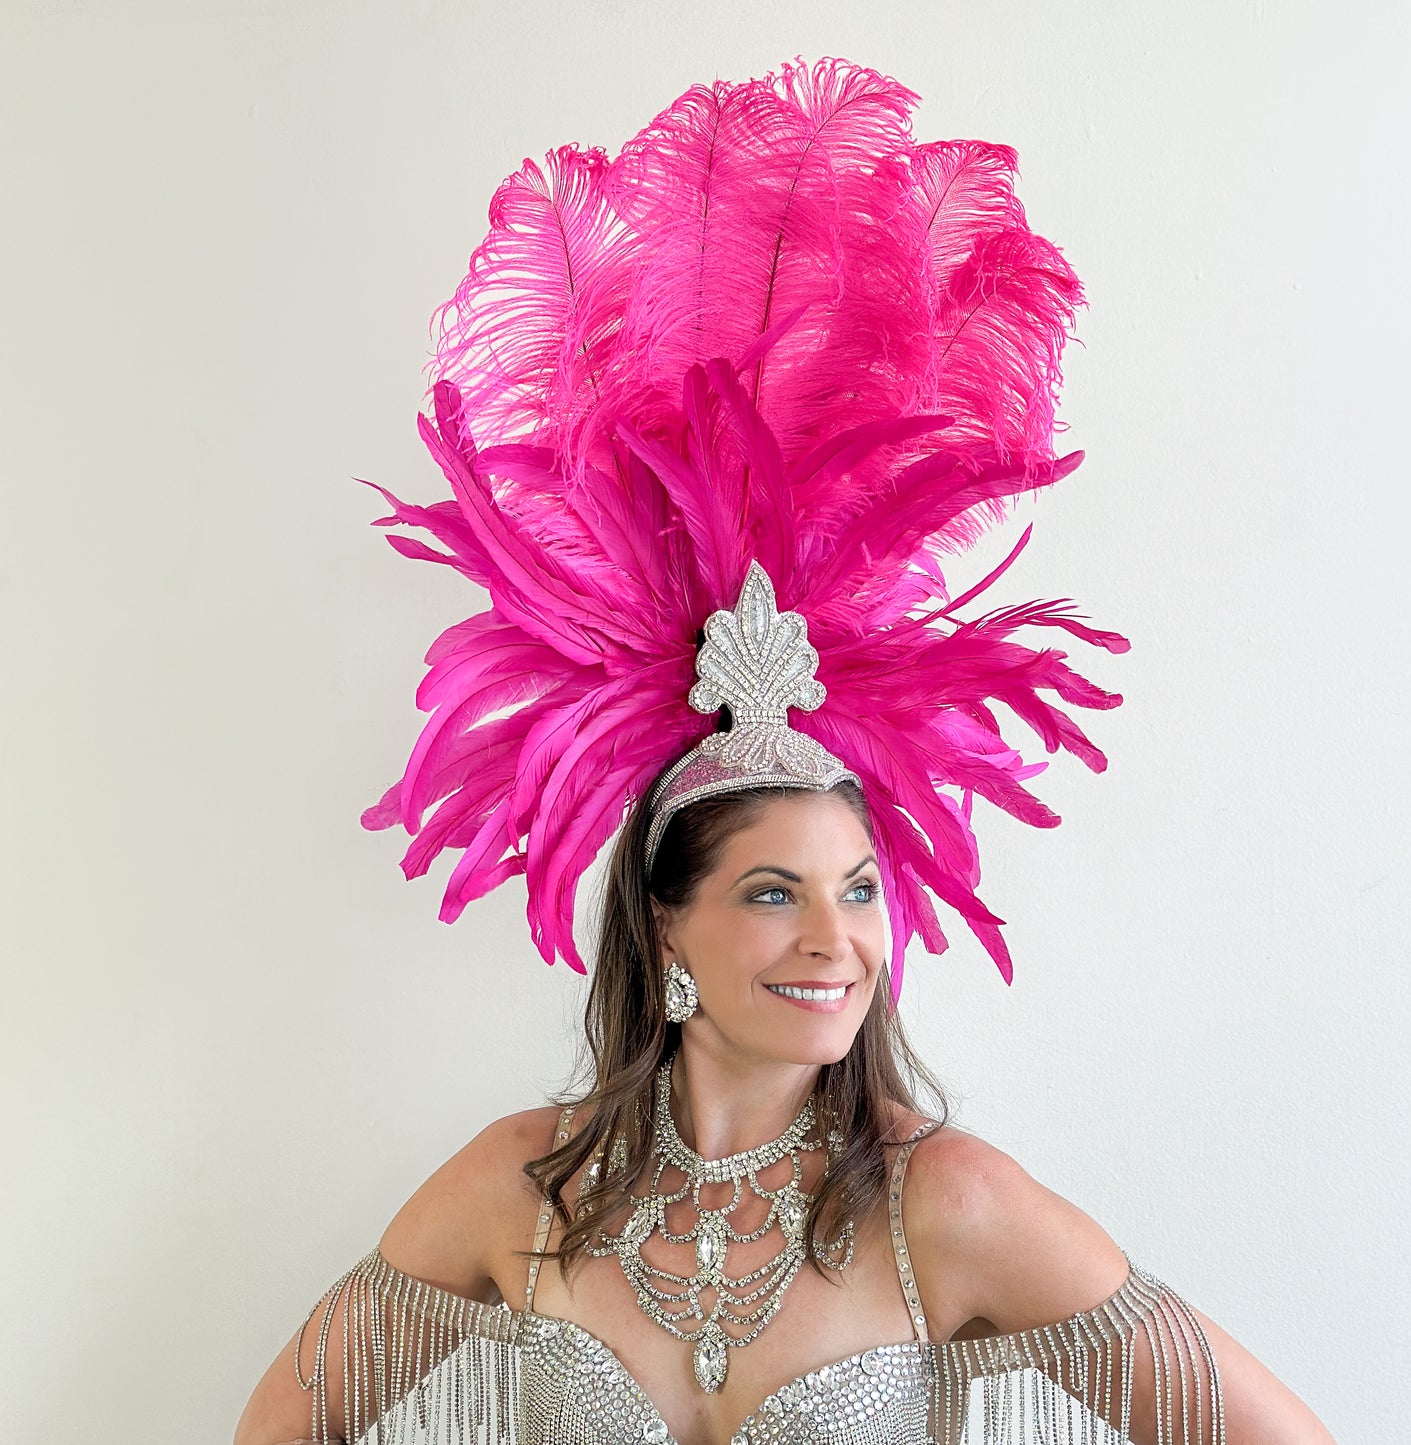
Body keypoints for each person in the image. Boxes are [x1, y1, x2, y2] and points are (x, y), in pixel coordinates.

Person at [235, 58, 1336, 1445]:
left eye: (859, 887)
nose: (837, 936)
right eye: (775, 889)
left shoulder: (948, 1205)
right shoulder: (520, 1189)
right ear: (667, 925)